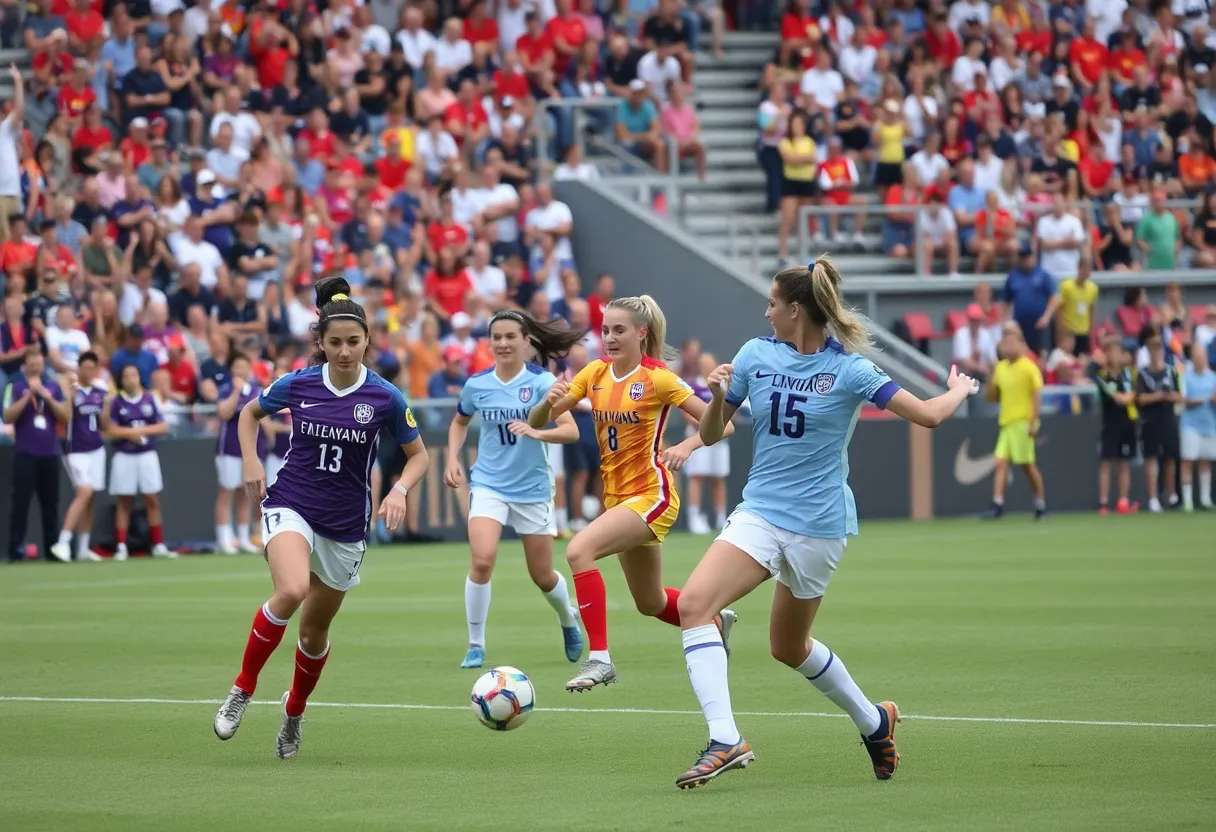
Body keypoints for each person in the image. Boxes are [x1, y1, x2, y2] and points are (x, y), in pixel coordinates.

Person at [672, 259, 980, 789]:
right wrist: (719, 392)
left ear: (796, 310)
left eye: (772, 303)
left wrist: (960, 389)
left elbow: (929, 415)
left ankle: (873, 721)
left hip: (819, 526)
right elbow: (715, 429)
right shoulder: (753, 354)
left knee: (788, 647)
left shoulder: (850, 370)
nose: (765, 312)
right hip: (761, 513)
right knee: (695, 606)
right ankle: (725, 738)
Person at [212, 277, 430, 760]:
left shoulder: (385, 397)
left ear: (368, 341)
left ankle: (293, 711)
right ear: (321, 344)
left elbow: (419, 457)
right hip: (293, 502)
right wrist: (251, 460)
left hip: (346, 525)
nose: (346, 351)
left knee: (313, 633)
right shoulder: (300, 382)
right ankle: (242, 690)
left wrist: (399, 489)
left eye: (354, 342)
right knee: (289, 590)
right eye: (335, 343)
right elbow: (249, 413)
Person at [527, 295, 736, 692]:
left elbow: (721, 427)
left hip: (652, 495)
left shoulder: (658, 377)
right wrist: (546, 402)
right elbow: (540, 420)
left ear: (642, 333)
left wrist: (689, 442)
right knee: (650, 602)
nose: (609, 337)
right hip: (617, 500)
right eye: (605, 330)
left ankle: (600, 659)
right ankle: (713, 619)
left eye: (618, 330)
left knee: (577, 550)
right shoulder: (593, 373)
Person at [444, 310, 586, 669]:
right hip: (489, 483)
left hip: (533, 488)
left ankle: (568, 619)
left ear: (526, 342)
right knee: (482, 560)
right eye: (497, 337)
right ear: (489, 343)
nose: (503, 343)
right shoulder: (477, 384)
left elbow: (571, 431)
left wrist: (539, 431)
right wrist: (451, 457)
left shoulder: (541, 382)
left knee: (541, 575)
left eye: (511, 337)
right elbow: (459, 422)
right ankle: (475, 645)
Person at [105, 363, 176, 560]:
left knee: (152, 499)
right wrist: (130, 434)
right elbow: (110, 430)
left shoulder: (148, 399)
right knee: (124, 500)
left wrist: (141, 432)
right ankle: (120, 545)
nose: (131, 379)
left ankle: (158, 544)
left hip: (146, 454)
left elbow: (162, 427)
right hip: (124, 455)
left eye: (134, 375)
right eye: (127, 376)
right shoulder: (116, 401)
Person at [3, 347, 69, 562]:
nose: (35, 366)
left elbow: (65, 416)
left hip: (49, 454)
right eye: (32, 363)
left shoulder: (54, 387)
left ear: (43, 365)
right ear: (26, 365)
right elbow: (7, 417)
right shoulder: (15, 387)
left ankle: (52, 548)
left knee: (50, 504)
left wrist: (47, 398)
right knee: (20, 504)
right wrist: (28, 396)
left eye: (39, 363)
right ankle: (15, 550)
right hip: (25, 453)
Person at [983, 326, 1047, 520]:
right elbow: (993, 397)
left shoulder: (1029, 367)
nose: (1007, 346)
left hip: (1023, 422)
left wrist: (1032, 422)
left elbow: (1036, 396)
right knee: (1000, 462)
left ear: (1021, 345)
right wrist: (989, 376)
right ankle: (997, 504)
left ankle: (1040, 504)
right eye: (1005, 343)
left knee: (1027, 466)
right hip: (1007, 423)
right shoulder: (1000, 368)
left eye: (1012, 342)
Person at [51, 351, 107, 562]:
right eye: (86, 367)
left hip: (96, 449)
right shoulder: (71, 390)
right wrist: (68, 394)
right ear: (79, 368)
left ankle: (83, 548)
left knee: (90, 497)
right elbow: (65, 417)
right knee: (84, 492)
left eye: (93, 367)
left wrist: (108, 405)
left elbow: (105, 424)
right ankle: (63, 542)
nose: (90, 371)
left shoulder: (100, 391)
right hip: (76, 450)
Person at [215, 353, 266, 555]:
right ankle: (224, 538)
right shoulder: (227, 390)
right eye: (236, 367)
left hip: (250, 451)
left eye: (243, 367)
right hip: (228, 449)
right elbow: (223, 413)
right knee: (226, 493)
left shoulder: (257, 391)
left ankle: (244, 537)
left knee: (246, 494)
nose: (240, 371)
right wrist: (236, 393)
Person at [683, 351, 731, 535]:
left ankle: (721, 518)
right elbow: (686, 413)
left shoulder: (725, 386)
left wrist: (718, 426)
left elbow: (729, 411)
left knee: (718, 478)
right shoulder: (693, 385)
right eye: (702, 362)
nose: (706, 365)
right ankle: (694, 517)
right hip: (698, 438)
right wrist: (707, 424)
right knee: (697, 476)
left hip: (720, 439)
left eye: (709, 362)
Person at [1135, 334, 1183, 513]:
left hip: (1168, 418)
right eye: (1152, 350)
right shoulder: (1143, 374)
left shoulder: (1171, 371)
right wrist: (1158, 396)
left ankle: (1171, 493)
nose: (1156, 353)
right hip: (1150, 420)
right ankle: (1153, 498)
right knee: (1151, 458)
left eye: (1158, 349)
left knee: (1170, 456)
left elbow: (1179, 395)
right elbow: (1139, 399)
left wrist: (1170, 396)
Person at [1093, 336, 1139, 515]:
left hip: (1127, 423)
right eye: (1112, 352)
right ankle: (1103, 503)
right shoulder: (1102, 377)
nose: (1116, 356)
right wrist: (1126, 397)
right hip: (1110, 424)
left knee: (1124, 463)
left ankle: (1123, 501)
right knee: (1106, 463)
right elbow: (1118, 397)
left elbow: (1132, 395)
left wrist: (1128, 397)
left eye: (1118, 352)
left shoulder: (1128, 374)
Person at [1179, 342, 1216, 512]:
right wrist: (1193, 402)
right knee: (1188, 461)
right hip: (1190, 426)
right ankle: (1187, 501)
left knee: (1205, 462)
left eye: (1202, 357)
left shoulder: (1213, 378)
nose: (1200, 360)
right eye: (1197, 357)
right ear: (1193, 358)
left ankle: (1205, 498)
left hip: (1209, 425)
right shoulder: (1185, 377)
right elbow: (1183, 400)